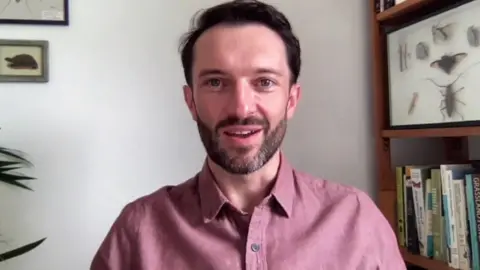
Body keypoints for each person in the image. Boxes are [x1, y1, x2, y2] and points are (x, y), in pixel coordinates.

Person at [90, 1, 406, 269]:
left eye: (264, 82)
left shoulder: (357, 220)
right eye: (216, 82)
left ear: (291, 100)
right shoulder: (137, 231)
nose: (241, 107)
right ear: (191, 102)